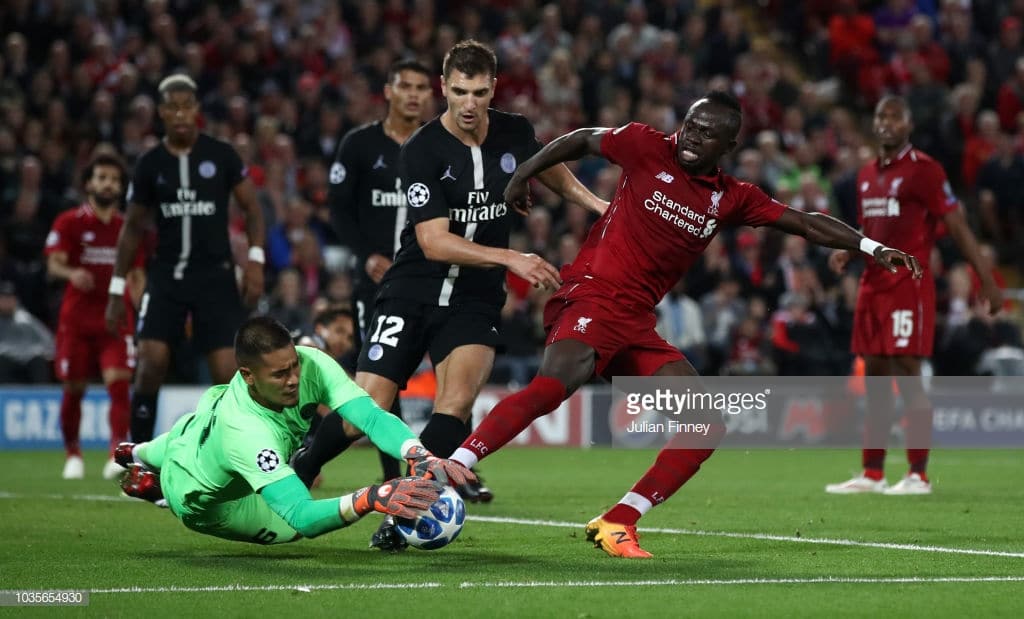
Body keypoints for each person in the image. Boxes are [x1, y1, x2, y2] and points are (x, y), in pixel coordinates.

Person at [446, 91, 922, 558]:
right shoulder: (645, 144)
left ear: (728, 147)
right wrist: (522, 177)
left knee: (705, 423)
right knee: (555, 384)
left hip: (635, 321)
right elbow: (581, 139)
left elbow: (803, 222)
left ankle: (619, 520)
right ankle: (453, 465)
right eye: (692, 125)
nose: (693, 138)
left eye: (709, 133)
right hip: (594, 293)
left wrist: (872, 249)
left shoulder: (731, 197)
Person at [292, 40, 607, 549]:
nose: (468, 104)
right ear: (444, 87)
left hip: (475, 298)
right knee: (366, 406)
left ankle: (401, 516)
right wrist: (512, 257)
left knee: (455, 405)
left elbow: (548, 166)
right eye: (459, 91)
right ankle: (301, 468)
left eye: (479, 92)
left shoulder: (516, 131)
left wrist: (597, 204)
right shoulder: (421, 149)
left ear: (493, 90)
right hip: (412, 286)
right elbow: (432, 241)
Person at [114, 316, 474, 546]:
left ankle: (136, 452)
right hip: (204, 498)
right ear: (248, 376)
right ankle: (161, 489)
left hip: (198, 427)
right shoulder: (247, 433)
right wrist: (370, 497)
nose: (293, 380)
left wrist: (417, 453)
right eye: (279, 375)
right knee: (290, 530)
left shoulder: (312, 363)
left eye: (293, 366)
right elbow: (302, 514)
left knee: (181, 436)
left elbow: (370, 416)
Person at [824, 96, 1002, 496]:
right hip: (872, 287)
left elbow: (956, 224)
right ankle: (873, 473)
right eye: (880, 116)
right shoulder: (867, 174)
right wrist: (850, 251)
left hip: (908, 285)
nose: (886, 123)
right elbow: (873, 232)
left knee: (907, 373)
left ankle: (918, 474)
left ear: (908, 125)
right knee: (873, 377)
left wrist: (986, 279)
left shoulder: (925, 170)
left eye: (894, 116)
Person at [105, 74, 265, 444]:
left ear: (197, 111)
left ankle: (235, 456)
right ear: (161, 113)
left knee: (228, 372)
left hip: (216, 277)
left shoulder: (221, 154)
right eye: (172, 107)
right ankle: (138, 458)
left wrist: (254, 261)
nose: (180, 114)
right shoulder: (149, 164)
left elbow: (253, 209)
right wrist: (116, 288)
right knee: (150, 364)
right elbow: (131, 229)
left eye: (187, 106)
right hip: (166, 276)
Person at [313, 59, 433, 485]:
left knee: (456, 365)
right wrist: (366, 255)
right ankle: (391, 473)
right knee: (385, 378)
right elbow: (339, 209)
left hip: (431, 277)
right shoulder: (360, 145)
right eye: (406, 85)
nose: (414, 94)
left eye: (422, 86)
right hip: (379, 282)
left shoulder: (439, 143)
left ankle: (457, 466)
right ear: (388, 91)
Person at [45, 152, 144, 480]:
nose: (108, 184)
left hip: (116, 320)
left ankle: (116, 452)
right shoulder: (70, 222)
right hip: (77, 319)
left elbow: (137, 274)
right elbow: (54, 262)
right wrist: (72, 273)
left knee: (119, 384)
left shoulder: (127, 228)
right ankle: (73, 453)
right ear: (89, 183)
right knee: (74, 388)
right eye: (102, 177)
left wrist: (141, 305)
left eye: (114, 179)